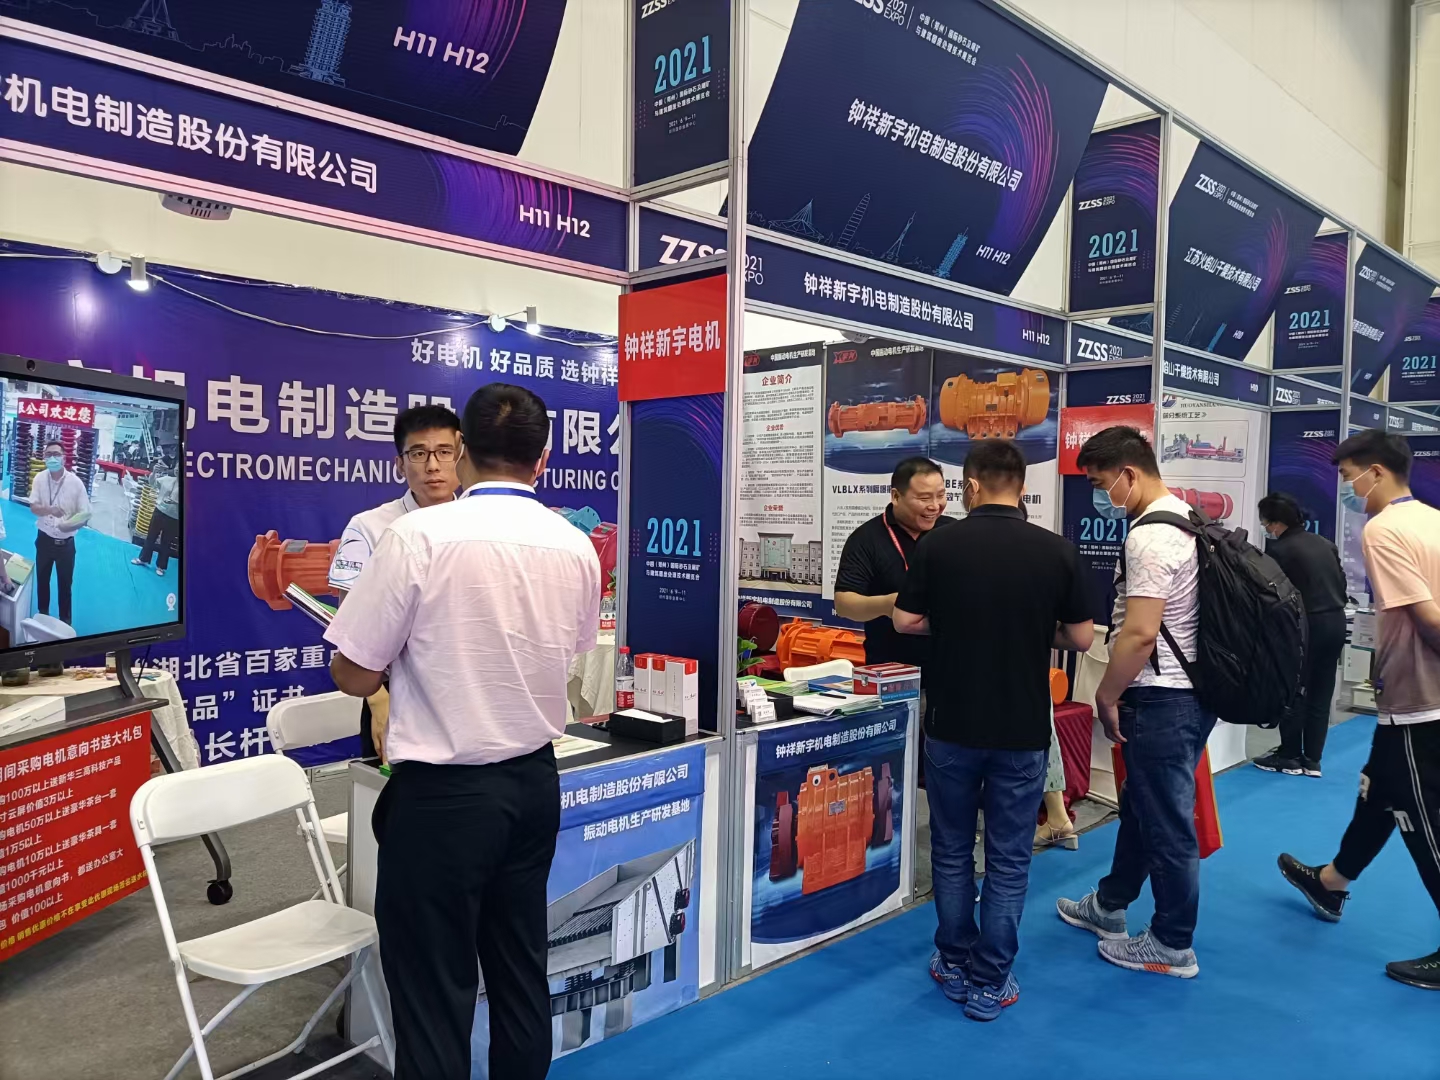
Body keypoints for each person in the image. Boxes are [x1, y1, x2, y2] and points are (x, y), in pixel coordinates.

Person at [326, 383, 600, 1079]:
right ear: (544, 459)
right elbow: (572, 650)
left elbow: (353, 673)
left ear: (465, 453)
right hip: (533, 784)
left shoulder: (415, 538)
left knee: (432, 991)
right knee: (519, 969)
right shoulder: (575, 546)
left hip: (443, 799)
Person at [893, 439, 1094, 1021]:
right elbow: (1082, 637)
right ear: (1022, 486)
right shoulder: (1056, 550)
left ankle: (953, 961)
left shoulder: (938, 545)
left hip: (952, 724)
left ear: (972, 485)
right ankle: (990, 980)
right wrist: (1029, 630)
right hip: (1021, 729)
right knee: (1008, 857)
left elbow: (905, 620)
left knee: (953, 848)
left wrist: (959, 625)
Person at [1277, 430, 1440, 989]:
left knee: (1425, 818)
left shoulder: (1385, 529)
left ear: (1375, 473)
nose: (1347, 489)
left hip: (1422, 700)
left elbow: (1427, 619)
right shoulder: (1432, 521)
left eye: (1348, 478)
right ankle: (1332, 881)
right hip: (1407, 698)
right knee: (1379, 792)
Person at [1057, 426, 1215, 979]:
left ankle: (1172, 943)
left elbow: (1141, 632)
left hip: (1161, 697)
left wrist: (1107, 694)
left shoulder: (1149, 537)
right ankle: (1110, 904)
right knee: (1144, 804)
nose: (1101, 495)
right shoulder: (1189, 519)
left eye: (1100, 483)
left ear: (1128, 474)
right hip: (1190, 692)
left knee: (1166, 820)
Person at [327, 404, 460, 759]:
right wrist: (378, 699)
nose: (433, 465)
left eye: (444, 452)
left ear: (462, 456)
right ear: (400, 464)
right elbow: (348, 625)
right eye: (418, 453)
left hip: (465, 697)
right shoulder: (369, 527)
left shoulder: (481, 523)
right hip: (393, 695)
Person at [1252, 492, 1347, 777]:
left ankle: (1290, 755)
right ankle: (1313, 760)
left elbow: (1271, 595)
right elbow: (1341, 584)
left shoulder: (1279, 551)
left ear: (1276, 522)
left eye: (1266, 523)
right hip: (1335, 622)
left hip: (1305, 626)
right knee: (1322, 690)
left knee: (1293, 689)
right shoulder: (1326, 544)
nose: (1266, 528)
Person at [833, 457, 953, 667]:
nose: (935, 506)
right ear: (896, 496)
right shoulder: (866, 538)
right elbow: (844, 604)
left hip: (949, 666)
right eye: (924, 498)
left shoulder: (953, 532)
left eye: (941, 495)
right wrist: (890, 604)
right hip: (889, 669)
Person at [29, 439, 91, 627]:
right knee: (42, 581)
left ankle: (65, 622)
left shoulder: (76, 483)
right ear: (44, 457)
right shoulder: (39, 478)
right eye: (48, 455)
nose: (52, 458)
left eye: (56, 454)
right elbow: (33, 507)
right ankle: (43, 616)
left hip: (66, 545)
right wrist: (49, 510)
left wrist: (68, 526)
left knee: (65, 586)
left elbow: (85, 514)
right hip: (44, 541)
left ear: (64, 458)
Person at [132, 460, 181, 577]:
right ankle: (143, 559)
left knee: (166, 542)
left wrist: (174, 502)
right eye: (177, 467)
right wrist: (154, 472)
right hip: (159, 512)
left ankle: (161, 566)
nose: (178, 469)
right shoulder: (167, 479)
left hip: (174, 518)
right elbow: (152, 483)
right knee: (151, 536)